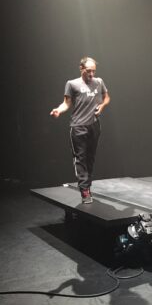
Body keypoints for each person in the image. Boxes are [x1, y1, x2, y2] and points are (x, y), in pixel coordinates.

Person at [50, 57, 110, 203]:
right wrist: (58, 110)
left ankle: (87, 186)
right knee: (80, 158)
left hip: (94, 125)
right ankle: (84, 190)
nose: (91, 74)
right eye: (88, 71)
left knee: (90, 158)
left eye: (93, 71)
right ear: (81, 68)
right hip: (78, 126)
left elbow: (106, 97)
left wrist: (102, 106)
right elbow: (66, 103)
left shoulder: (99, 82)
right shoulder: (72, 84)